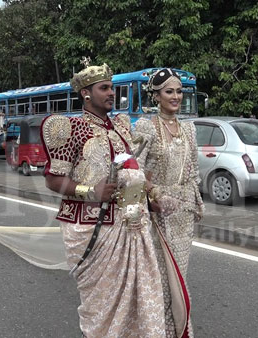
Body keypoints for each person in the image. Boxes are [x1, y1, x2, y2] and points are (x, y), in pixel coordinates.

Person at [41, 63, 167, 337]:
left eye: (112, 87)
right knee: (101, 306)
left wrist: (148, 197)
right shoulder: (71, 129)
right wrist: (90, 191)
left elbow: (130, 169)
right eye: (104, 88)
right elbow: (52, 180)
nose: (112, 93)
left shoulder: (121, 127)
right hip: (92, 229)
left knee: (142, 297)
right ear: (86, 93)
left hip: (132, 223)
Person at [134, 68, 204, 338]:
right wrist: (155, 196)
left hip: (183, 216)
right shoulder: (145, 127)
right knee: (161, 279)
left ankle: (180, 330)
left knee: (180, 276)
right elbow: (134, 170)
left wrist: (193, 201)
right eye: (169, 92)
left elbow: (194, 172)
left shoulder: (189, 128)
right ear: (156, 96)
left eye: (178, 91)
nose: (176, 97)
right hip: (157, 216)